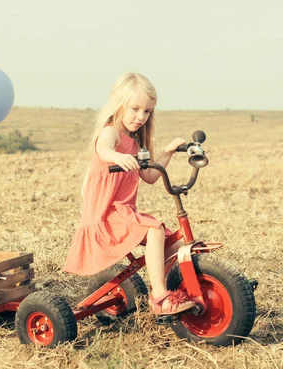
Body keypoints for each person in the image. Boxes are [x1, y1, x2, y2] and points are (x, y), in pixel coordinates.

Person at [64, 72, 195, 315]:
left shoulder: (135, 143)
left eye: (147, 111)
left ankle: (179, 289)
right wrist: (118, 156)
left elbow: (150, 176)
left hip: (125, 213)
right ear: (119, 103)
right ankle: (159, 299)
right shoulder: (110, 132)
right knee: (154, 230)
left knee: (173, 243)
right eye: (135, 109)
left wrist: (167, 152)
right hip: (106, 214)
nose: (141, 117)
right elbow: (103, 149)